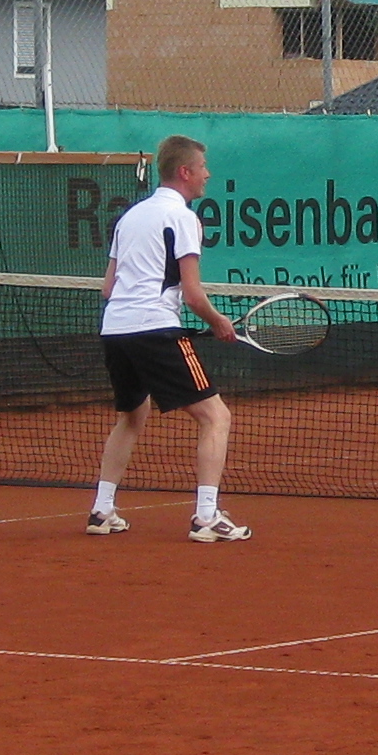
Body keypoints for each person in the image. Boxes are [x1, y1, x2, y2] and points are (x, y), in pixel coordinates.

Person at [87, 132, 251, 543]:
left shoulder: (129, 217)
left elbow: (108, 288)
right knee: (216, 417)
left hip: (116, 331)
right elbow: (193, 293)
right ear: (185, 172)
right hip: (154, 328)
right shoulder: (183, 218)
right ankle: (207, 517)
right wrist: (217, 321)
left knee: (132, 416)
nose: (207, 175)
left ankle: (102, 510)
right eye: (202, 169)